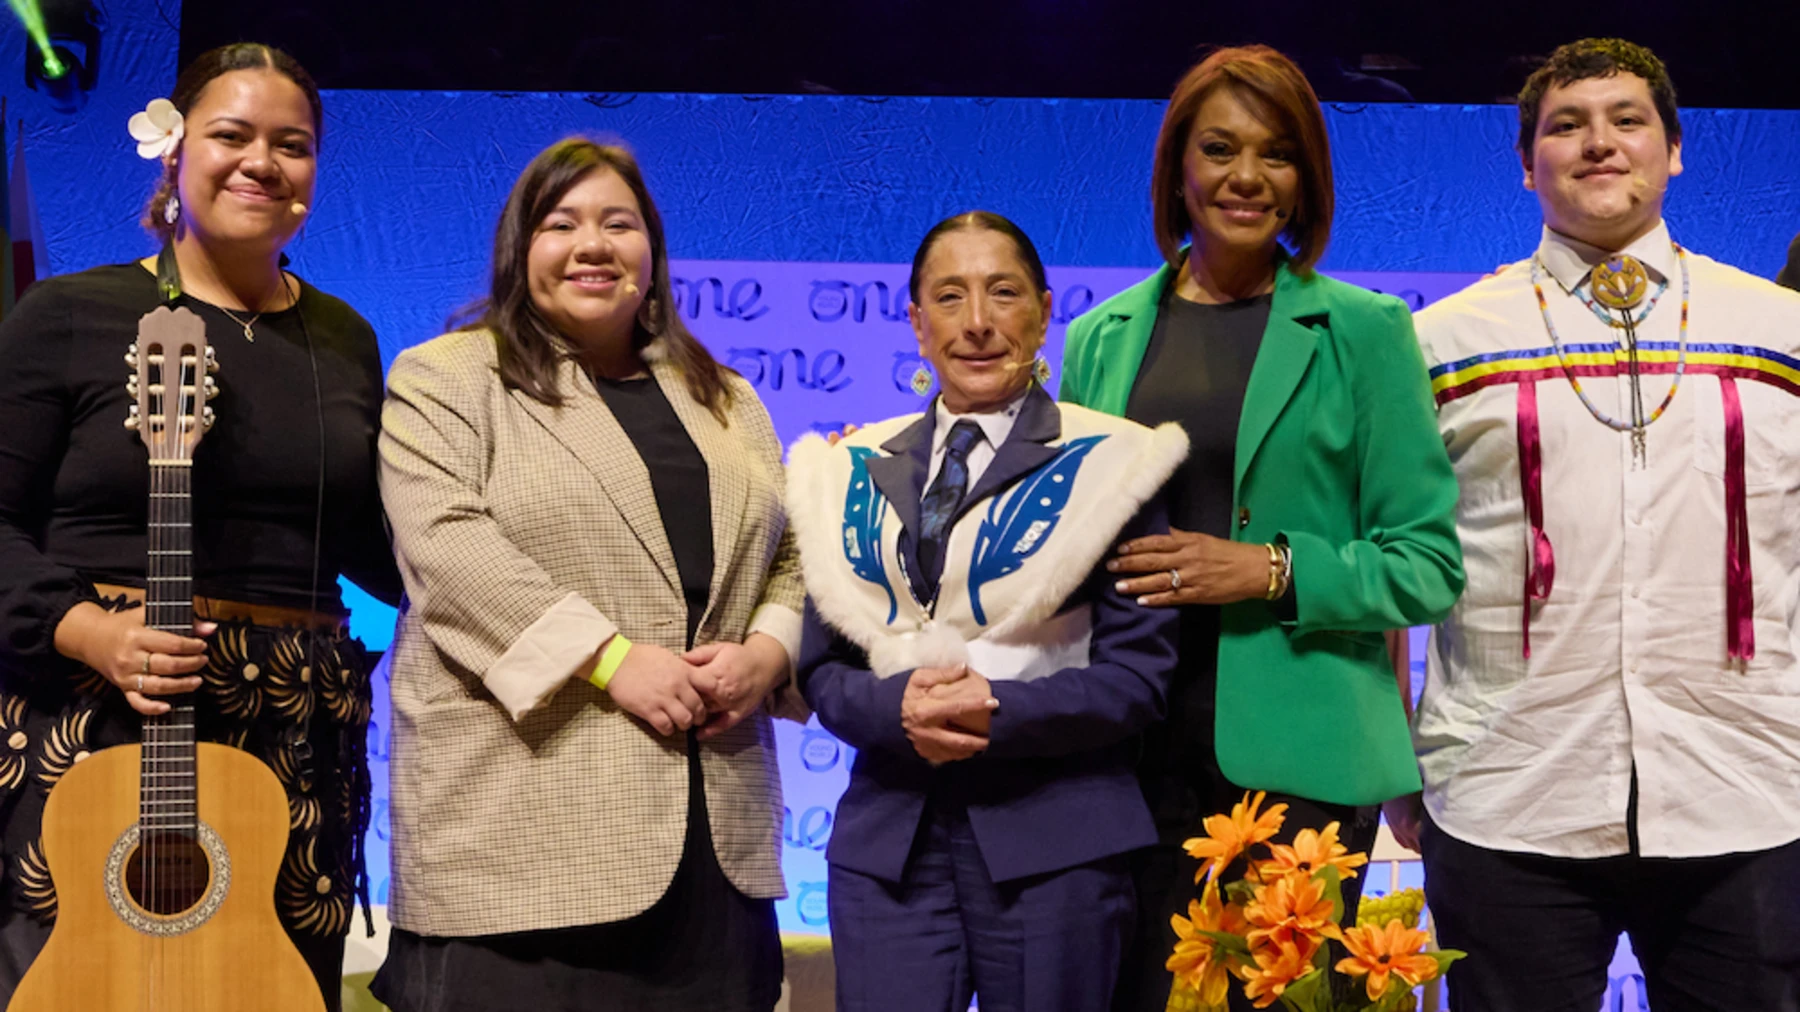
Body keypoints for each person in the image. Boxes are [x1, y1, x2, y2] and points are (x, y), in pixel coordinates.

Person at [1056, 45, 1466, 1011]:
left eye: (1277, 153)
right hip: (1127, 754)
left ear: (1307, 178)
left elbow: (1426, 564)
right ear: (1178, 169)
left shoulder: (1364, 332)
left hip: (1302, 763)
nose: (1247, 176)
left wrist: (1270, 569)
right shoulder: (1101, 336)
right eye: (1220, 148)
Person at [0, 43, 400, 1008]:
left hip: (292, 745)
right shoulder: (69, 313)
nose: (262, 161)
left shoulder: (343, 338)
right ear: (173, 151)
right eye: (232, 134)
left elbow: (378, 547)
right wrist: (91, 631)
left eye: (292, 144)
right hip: (99, 721)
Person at [1403, 37, 1800, 1009]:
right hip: (1504, 792)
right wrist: (1391, 756)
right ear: (1525, 160)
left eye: (1628, 120)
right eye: (1565, 126)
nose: (1598, 143)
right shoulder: (1440, 341)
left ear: (1675, 150)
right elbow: (1388, 561)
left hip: (1749, 787)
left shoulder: (1778, 332)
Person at [371, 137, 804, 1012]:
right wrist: (611, 659)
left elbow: (787, 555)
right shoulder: (447, 378)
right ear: (518, 249)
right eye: (561, 223)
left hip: (710, 841)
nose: (593, 245)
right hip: (521, 843)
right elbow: (450, 552)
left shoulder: (725, 396)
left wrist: (768, 654)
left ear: (653, 251)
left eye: (620, 223)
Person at [789, 211, 1185, 1012]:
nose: (976, 323)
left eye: (1002, 294)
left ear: (1043, 311)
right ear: (916, 321)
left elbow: (1138, 680)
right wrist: (895, 706)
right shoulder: (852, 465)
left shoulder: (1111, 462)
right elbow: (821, 669)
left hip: (1057, 845)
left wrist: (993, 709)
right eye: (949, 297)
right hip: (889, 846)